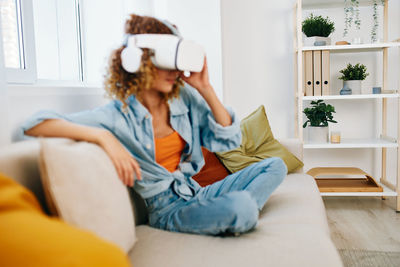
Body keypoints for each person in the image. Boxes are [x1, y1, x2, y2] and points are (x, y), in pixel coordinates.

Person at [23, 14, 287, 236]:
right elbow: (35, 124)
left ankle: (230, 214)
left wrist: (206, 89)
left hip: (198, 191)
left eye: (176, 60)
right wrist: (104, 138)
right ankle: (237, 214)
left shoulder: (185, 100)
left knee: (275, 165)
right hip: (167, 211)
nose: (174, 70)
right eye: (164, 60)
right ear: (136, 61)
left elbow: (229, 141)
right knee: (241, 207)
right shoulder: (118, 117)